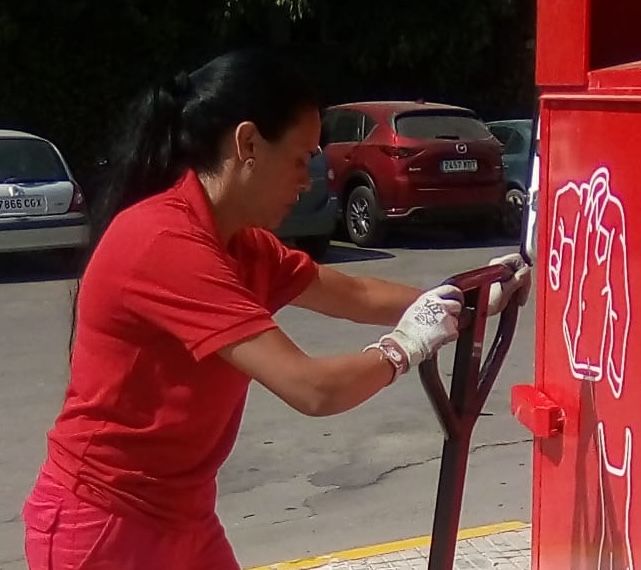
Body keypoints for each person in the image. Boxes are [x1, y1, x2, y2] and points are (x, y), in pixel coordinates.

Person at [21, 49, 530, 570]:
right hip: (106, 527)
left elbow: (350, 295)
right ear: (247, 144)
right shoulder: (164, 241)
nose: (309, 178)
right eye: (299, 157)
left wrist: (466, 297)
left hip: (182, 517)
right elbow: (310, 388)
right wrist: (403, 348)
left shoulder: (242, 244)